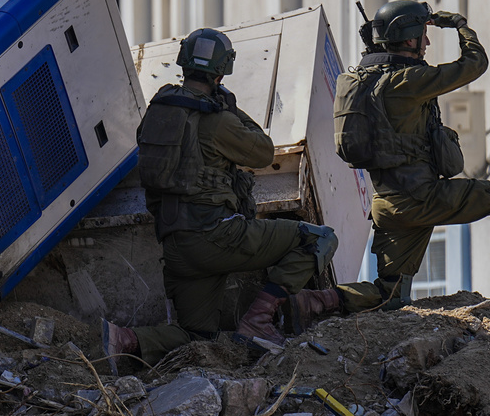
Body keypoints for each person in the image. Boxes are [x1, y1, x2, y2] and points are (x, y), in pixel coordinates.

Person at [102, 28, 343, 373]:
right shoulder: (217, 120)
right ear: (221, 72)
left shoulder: (157, 114)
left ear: (183, 64)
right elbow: (263, 151)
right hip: (217, 236)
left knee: (197, 335)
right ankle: (259, 321)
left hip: (176, 245)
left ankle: (124, 339)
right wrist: (232, 107)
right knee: (319, 238)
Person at [329, 0, 490, 318]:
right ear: (408, 39)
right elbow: (474, 64)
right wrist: (461, 26)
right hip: (424, 198)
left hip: (388, 204)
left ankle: (309, 302)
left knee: (389, 295)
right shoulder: (406, 82)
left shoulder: (360, 82)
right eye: (422, 34)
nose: (426, 42)